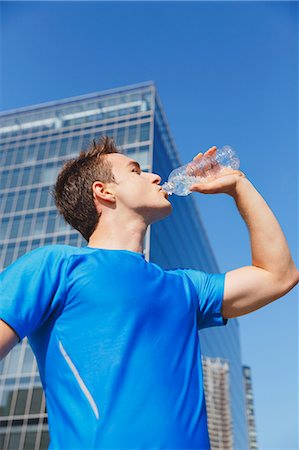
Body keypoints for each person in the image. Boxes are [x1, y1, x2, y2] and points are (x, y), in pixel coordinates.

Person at [0, 135, 298, 450]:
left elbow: (278, 275)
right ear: (104, 191)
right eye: (135, 170)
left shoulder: (186, 287)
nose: (154, 177)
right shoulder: (54, 267)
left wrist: (239, 186)